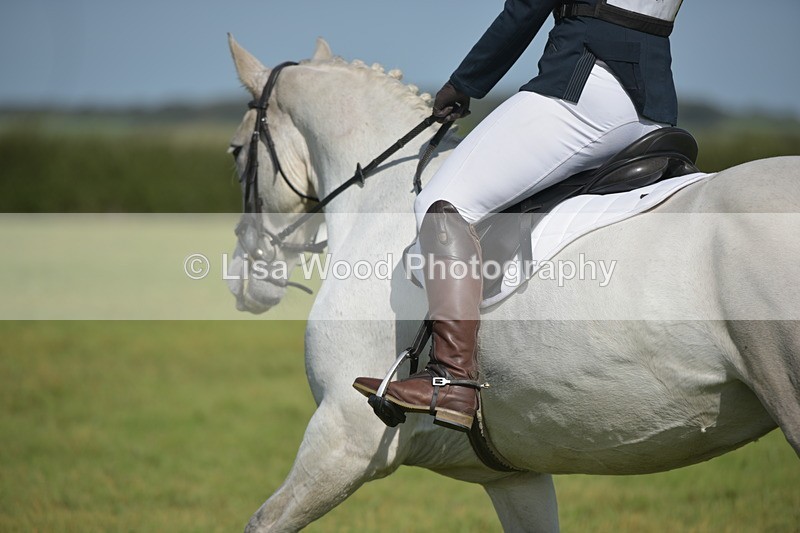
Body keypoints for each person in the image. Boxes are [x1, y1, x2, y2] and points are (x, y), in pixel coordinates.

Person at [354, 0, 685, 432]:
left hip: (585, 83)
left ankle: (450, 377)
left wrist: (465, 83)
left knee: (442, 204)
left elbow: (526, 7)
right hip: (654, 105)